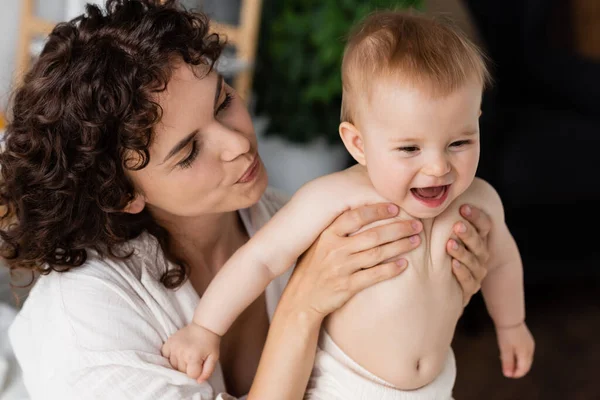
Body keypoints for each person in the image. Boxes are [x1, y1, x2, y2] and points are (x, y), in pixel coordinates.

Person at [1, 1, 493, 399]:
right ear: (120, 193)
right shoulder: (84, 325)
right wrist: (303, 306)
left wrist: (438, 286)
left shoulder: (280, 217)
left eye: (223, 101)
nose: (237, 143)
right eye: (190, 151)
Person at [162, 10, 535, 400]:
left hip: (436, 387)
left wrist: (512, 325)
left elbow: (504, 260)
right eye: (409, 148)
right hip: (345, 386)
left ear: (477, 120)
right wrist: (204, 328)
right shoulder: (335, 197)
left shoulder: (480, 200)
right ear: (358, 144)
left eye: (459, 142)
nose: (439, 167)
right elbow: (260, 259)